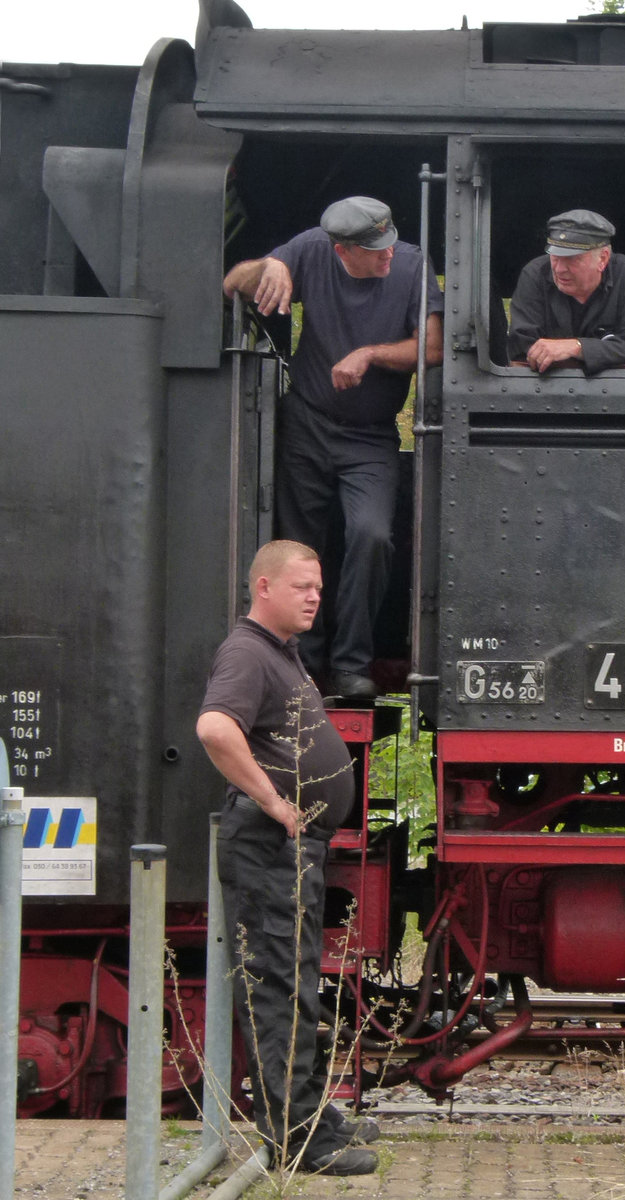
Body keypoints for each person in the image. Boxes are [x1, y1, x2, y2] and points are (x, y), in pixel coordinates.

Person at [196, 540, 380, 1176]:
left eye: (320, 590)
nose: (314, 599)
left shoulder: (280, 654)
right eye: (302, 587)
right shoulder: (247, 652)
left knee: (297, 983)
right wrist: (275, 803)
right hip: (270, 844)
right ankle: (300, 1143)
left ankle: (311, 1115)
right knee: (278, 987)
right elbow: (216, 728)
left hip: (290, 847)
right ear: (264, 588)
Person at [223, 196, 445, 699]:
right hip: (306, 423)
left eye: (389, 242)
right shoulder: (308, 250)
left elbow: (432, 348)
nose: (388, 254)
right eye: (375, 249)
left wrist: (370, 353)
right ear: (342, 250)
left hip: (371, 435)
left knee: (372, 535)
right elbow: (232, 284)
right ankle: (305, 665)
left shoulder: (411, 265)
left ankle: (352, 663)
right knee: (301, 545)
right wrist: (272, 264)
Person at [506, 209, 625, 373]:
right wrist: (604, 352)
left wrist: (576, 347)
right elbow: (521, 346)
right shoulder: (534, 275)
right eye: (555, 257)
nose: (560, 269)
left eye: (571, 258)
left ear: (603, 259)